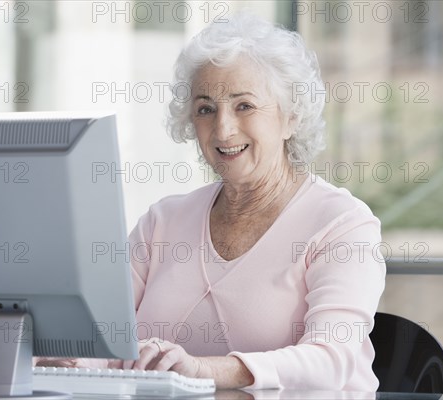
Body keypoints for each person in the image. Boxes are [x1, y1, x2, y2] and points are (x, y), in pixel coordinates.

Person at [40, 13, 386, 391]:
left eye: (244, 106)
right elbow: (105, 340)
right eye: (206, 109)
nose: (223, 129)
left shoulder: (343, 224)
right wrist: (66, 359)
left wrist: (201, 371)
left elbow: (329, 360)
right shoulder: (162, 221)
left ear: (291, 118)